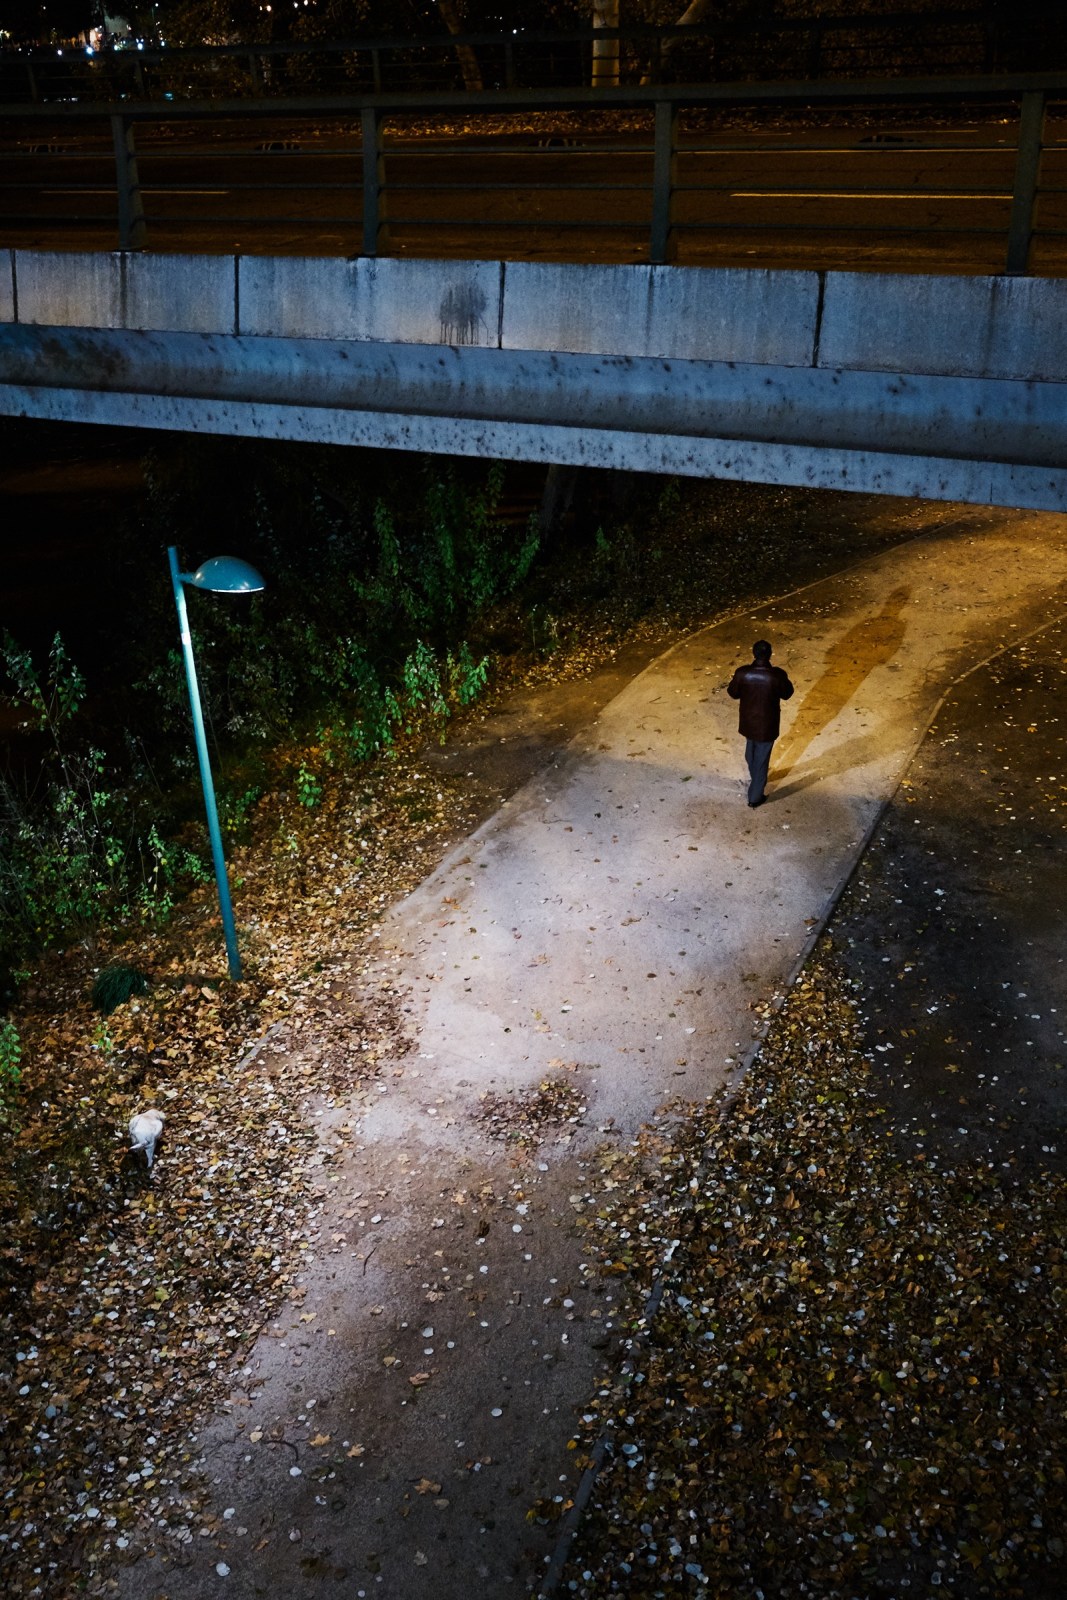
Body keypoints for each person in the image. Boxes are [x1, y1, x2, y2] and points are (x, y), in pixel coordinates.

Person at [726, 639, 794, 808]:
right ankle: (755, 797)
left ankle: (756, 776)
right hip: (767, 723)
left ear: (753, 653)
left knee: (751, 752)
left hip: (749, 721)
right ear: (770, 654)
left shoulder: (743, 673)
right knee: (761, 759)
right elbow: (787, 693)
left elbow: (733, 693)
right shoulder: (777, 675)